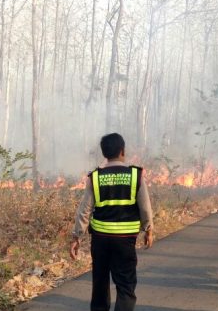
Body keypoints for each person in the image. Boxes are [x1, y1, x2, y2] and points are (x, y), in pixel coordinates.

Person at [69, 133, 154, 311]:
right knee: (125, 284)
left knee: (100, 282)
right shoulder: (134, 175)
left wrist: (77, 236)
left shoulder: (96, 177)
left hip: (100, 240)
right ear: (122, 151)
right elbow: (145, 207)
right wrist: (148, 229)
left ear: (104, 153)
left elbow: (85, 209)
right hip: (125, 240)